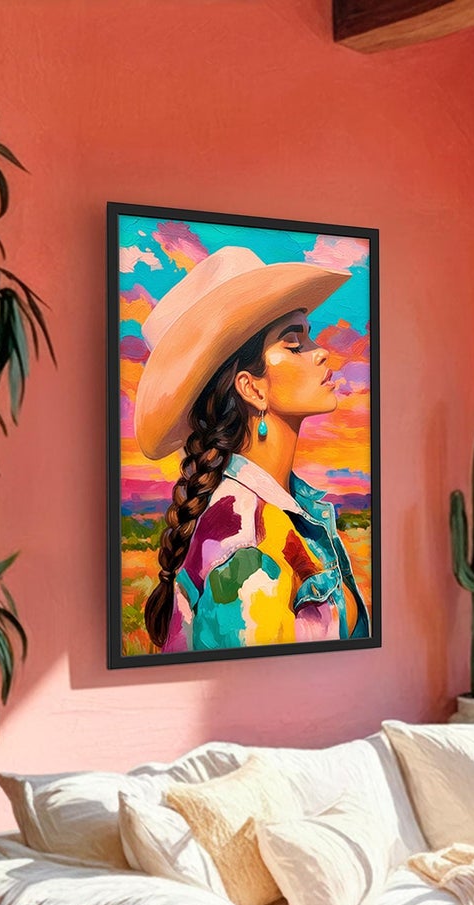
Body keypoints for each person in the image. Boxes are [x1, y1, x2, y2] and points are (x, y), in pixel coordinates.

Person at [133, 245, 370, 652]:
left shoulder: (280, 511)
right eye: (294, 342)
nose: (320, 352)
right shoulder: (246, 546)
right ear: (251, 387)